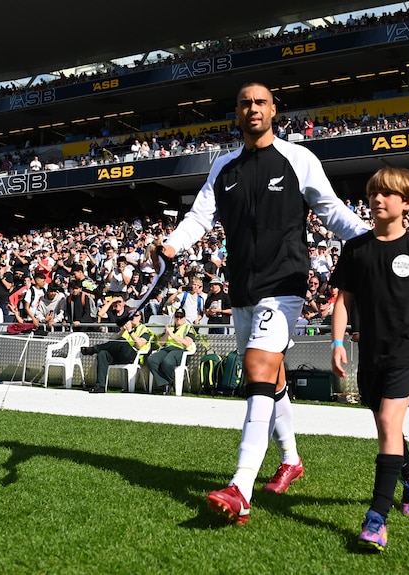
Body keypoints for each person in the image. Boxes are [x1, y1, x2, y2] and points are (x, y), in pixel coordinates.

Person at [155, 82, 368, 525]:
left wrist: (376, 240)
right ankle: (290, 459)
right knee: (271, 377)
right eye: (244, 103)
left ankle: (241, 485)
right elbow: (200, 216)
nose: (252, 109)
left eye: (260, 102)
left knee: (256, 366)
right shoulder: (224, 166)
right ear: (236, 112)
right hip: (242, 288)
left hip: (286, 283)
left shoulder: (298, 159)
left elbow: (331, 210)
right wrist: (174, 243)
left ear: (274, 110)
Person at [329, 167, 409, 552]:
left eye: (386, 194)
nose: (377, 200)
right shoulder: (355, 248)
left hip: (407, 352)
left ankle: (376, 520)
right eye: (373, 193)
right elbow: (343, 301)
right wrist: (337, 341)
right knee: (389, 430)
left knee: (388, 422)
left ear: (408, 203)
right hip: (369, 353)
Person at [81, 309, 154, 393]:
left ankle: (94, 349)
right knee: (102, 354)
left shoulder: (144, 330)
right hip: (120, 355)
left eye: (135, 315)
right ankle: (100, 386)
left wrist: (130, 331)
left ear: (140, 317)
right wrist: (122, 330)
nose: (132, 318)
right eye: (130, 316)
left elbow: (140, 344)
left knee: (122, 341)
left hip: (134, 356)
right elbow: (112, 340)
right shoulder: (125, 328)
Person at [145, 309, 195, 393]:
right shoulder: (170, 328)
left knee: (167, 361)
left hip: (181, 350)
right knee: (151, 360)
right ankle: (165, 384)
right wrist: (167, 333)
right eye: (177, 316)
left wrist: (172, 335)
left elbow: (187, 343)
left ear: (184, 318)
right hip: (167, 349)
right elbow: (161, 343)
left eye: (181, 316)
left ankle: (169, 383)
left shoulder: (188, 328)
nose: (178, 318)